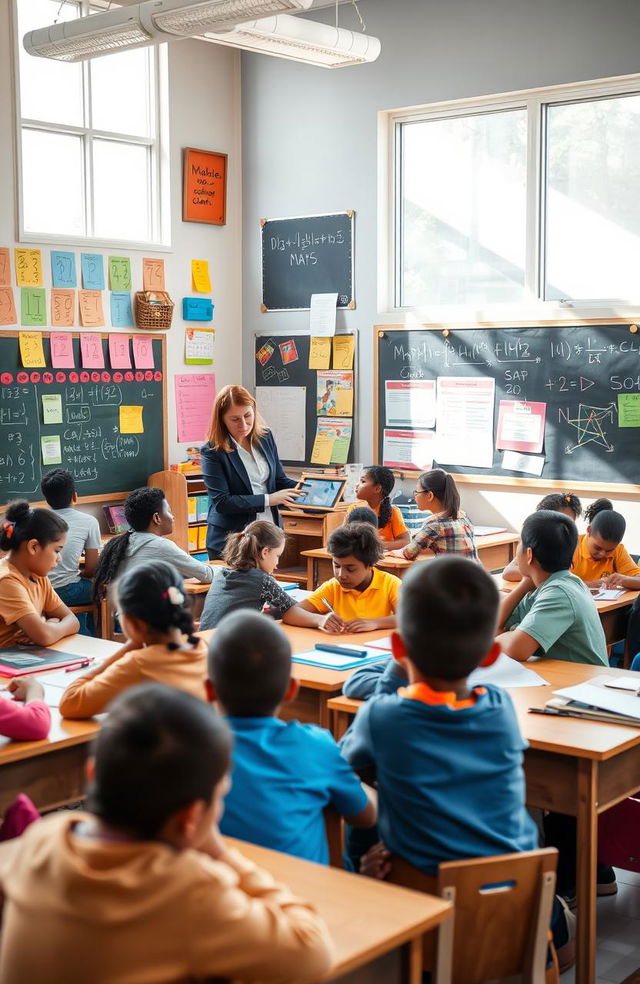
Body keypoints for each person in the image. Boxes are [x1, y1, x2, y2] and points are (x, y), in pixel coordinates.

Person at [0, 683, 334, 984]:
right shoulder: (190, 889)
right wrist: (218, 850)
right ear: (191, 817)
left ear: (92, 774)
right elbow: (311, 951)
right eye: (220, 796)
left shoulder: (44, 838)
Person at [339, 556, 575, 971]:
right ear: (488, 655)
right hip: (518, 906)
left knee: (362, 805)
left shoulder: (384, 716)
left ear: (398, 648)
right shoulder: (501, 707)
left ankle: (360, 899)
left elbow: (341, 771)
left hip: (428, 921)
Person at [207, 611, 376, 864]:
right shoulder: (315, 747)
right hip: (303, 896)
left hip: (216, 891)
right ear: (291, 690)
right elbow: (366, 816)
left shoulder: (188, 750)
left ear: (209, 690)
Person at [60, 561, 207, 719]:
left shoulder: (139, 664)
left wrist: (126, 649)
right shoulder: (201, 647)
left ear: (134, 623)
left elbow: (70, 702)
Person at [201, 385, 301, 559]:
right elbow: (222, 502)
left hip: (269, 533)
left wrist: (312, 486)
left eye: (248, 415)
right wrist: (269, 499)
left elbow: (279, 480)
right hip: (232, 539)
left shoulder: (265, 437)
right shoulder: (212, 451)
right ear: (222, 420)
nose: (244, 424)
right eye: (235, 419)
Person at [496, 511, 607, 666]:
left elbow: (517, 649)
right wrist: (524, 584)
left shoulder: (560, 592)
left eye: (521, 542)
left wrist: (507, 636)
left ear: (529, 554)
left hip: (584, 685)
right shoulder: (546, 585)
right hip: (566, 681)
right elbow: (493, 628)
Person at [200, 520, 337, 631]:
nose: (277, 564)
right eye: (277, 556)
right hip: (231, 646)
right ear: (265, 552)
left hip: (208, 641)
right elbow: (293, 610)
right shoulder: (261, 580)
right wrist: (322, 618)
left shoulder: (221, 573)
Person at [92, 487, 212, 603]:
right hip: (150, 621)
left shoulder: (118, 543)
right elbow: (206, 574)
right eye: (169, 512)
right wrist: (224, 568)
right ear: (157, 518)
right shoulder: (161, 546)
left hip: (122, 618)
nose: (173, 517)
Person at [0, 500, 80, 648]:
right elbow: (44, 636)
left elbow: (73, 621)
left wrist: (50, 623)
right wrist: (48, 628)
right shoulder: (6, 580)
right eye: (57, 550)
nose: (59, 558)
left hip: (26, 657)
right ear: (34, 546)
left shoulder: (38, 576)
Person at [298, 523, 400, 633]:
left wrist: (375, 623)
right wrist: (320, 619)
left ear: (370, 564)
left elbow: (412, 617)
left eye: (350, 569)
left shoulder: (390, 584)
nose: (341, 574)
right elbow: (293, 613)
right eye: (336, 566)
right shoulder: (333, 587)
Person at [40, 468, 102, 635]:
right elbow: (91, 569)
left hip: (39, 591)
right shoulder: (89, 522)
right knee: (100, 590)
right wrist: (79, 575)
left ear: (47, 499)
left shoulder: (36, 520)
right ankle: (93, 635)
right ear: (74, 496)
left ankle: (81, 629)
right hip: (67, 590)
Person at [386, 468, 478, 562]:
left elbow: (409, 553)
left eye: (417, 492)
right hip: (473, 574)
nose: (414, 496)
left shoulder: (435, 525)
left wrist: (391, 553)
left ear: (430, 496)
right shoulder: (463, 517)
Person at [502, 492, 582, 581]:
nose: (563, 529)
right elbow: (508, 572)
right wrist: (537, 574)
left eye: (569, 524)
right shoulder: (537, 544)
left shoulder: (575, 545)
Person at [570, 498, 640, 590]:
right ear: (589, 531)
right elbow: (554, 583)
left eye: (609, 551)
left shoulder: (618, 549)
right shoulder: (570, 546)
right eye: (598, 548)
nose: (602, 554)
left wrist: (625, 580)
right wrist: (591, 584)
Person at [347, 466, 409, 550]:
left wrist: (376, 546)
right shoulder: (354, 508)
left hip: (382, 559)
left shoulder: (393, 512)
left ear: (377, 488)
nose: (357, 485)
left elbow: (405, 541)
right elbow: (345, 536)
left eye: (362, 481)